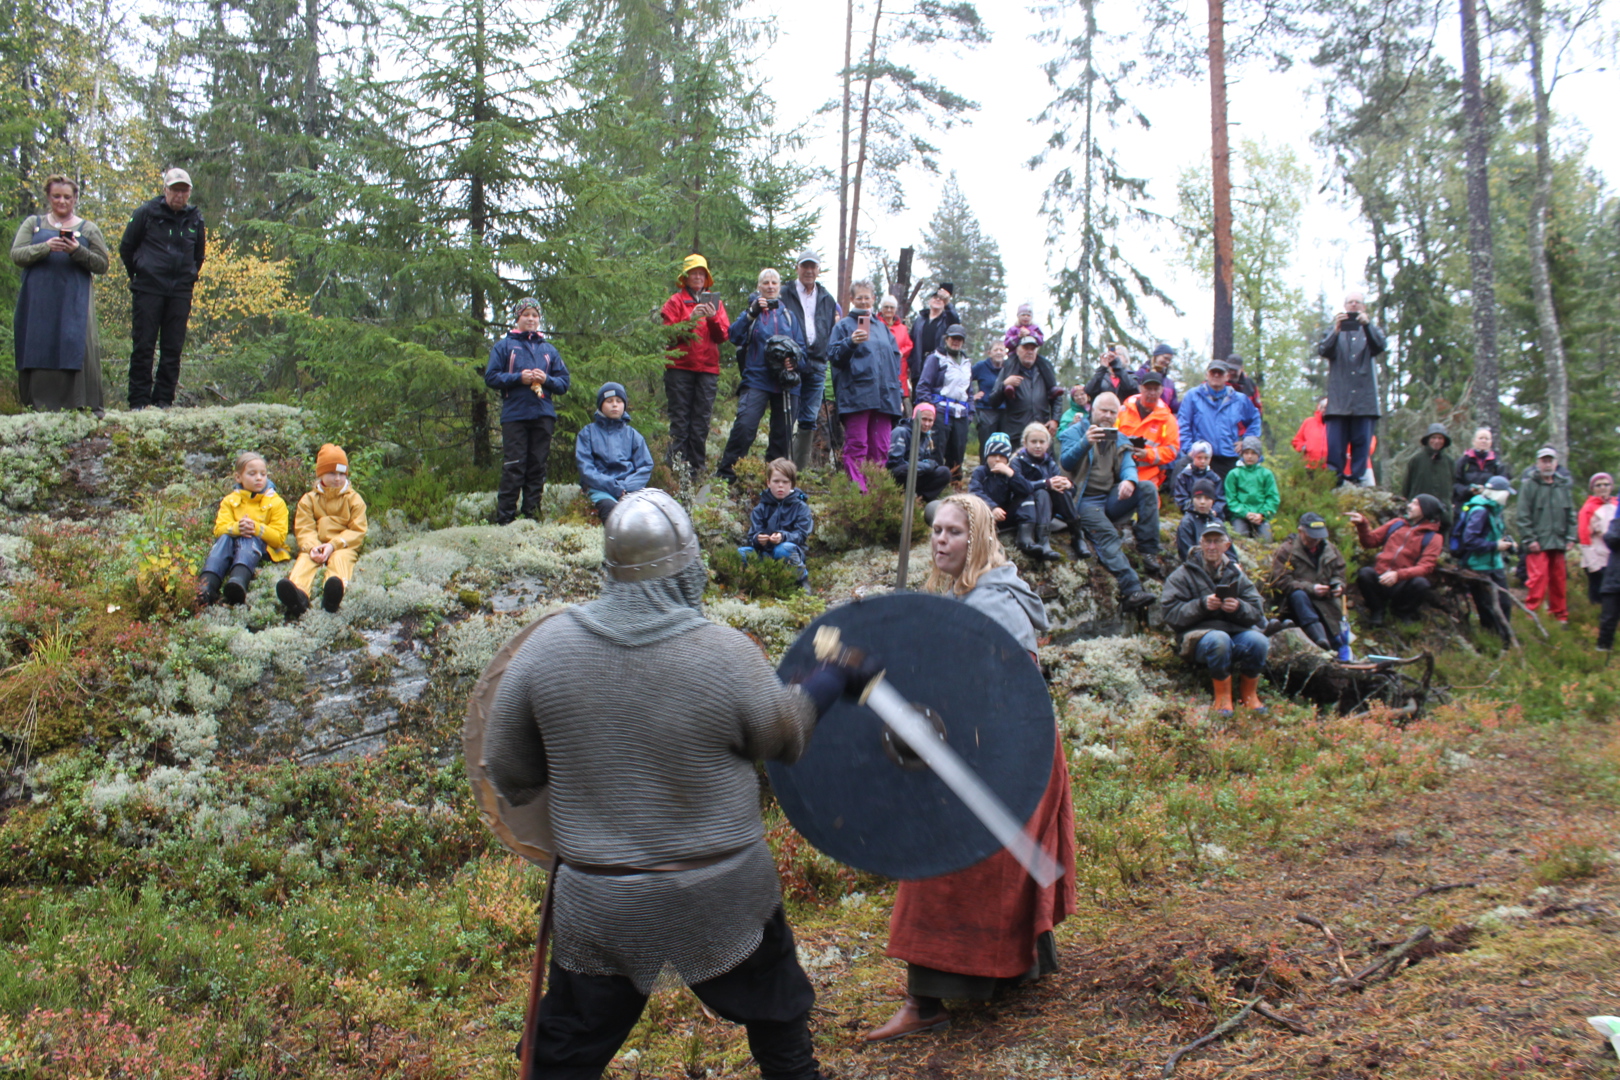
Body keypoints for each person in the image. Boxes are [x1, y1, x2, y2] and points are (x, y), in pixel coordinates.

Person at [483, 490, 865, 1080]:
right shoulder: (724, 654)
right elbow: (783, 735)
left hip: (604, 900)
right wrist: (831, 679)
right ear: (688, 567)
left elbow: (510, 774)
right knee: (780, 1028)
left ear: (609, 568)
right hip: (722, 893)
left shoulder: (543, 655)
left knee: (560, 1059)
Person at [865, 493, 1077, 1041]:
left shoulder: (996, 603)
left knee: (943, 863)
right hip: (993, 749)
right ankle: (1009, 973)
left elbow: (1001, 692)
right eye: (935, 530)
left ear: (978, 539)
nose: (940, 539)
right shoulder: (970, 594)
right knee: (986, 867)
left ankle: (925, 1001)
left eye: (954, 532)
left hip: (1011, 754)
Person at [11, 175, 110, 412]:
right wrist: (44, 247)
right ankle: (38, 407)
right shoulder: (33, 224)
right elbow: (17, 255)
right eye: (56, 196)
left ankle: (79, 406)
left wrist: (77, 251)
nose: (62, 201)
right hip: (38, 302)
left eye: (67, 197)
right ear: (48, 197)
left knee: (73, 345)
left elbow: (102, 264)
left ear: (75, 198)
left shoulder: (88, 228)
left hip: (75, 301)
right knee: (38, 345)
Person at [1058, 391, 1162, 601]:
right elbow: (1065, 462)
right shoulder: (1074, 432)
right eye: (1103, 410)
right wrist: (1085, 442)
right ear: (1092, 410)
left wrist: (1129, 481)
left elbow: (1128, 465)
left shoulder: (1118, 437)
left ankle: (1148, 550)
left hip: (1109, 498)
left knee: (1147, 488)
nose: (1107, 415)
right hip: (1082, 499)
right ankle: (1131, 589)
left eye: (1112, 412)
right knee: (1107, 535)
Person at [1159, 520, 1269, 713]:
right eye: (1207, 541)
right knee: (1219, 639)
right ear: (1200, 544)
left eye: (1217, 541)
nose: (1212, 546)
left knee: (1258, 641)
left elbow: (1257, 611)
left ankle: (1249, 695)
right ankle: (1223, 698)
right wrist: (1202, 605)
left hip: (1235, 633)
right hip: (1197, 638)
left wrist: (1238, 607)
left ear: (1226, 546)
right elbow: (1170, 614)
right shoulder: (1182, 575)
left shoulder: (1236, 574)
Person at [119, 168, 206, 409]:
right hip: (148, 289)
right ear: (165, 190)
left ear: (189, 192)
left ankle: (163, 400)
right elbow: (126, 248)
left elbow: (199, 255)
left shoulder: (195, 219)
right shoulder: (146, 213)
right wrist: (140, 273)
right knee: (143, 345)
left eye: (184, 190)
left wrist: (187, 280)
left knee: (173, 347)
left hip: (180, 291)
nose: (179, 195)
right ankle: (138, 401)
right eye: (175, 189)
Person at [486, 298, 571, 525]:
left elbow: (564, 383)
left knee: (537, 468)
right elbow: (491, 377)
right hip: (515, 415)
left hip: (543, 415)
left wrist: (547, 379)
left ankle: (531, 518)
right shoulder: (504, 346)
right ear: (518, 318)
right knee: (514, 467)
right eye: (526, 315)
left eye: (535, 315)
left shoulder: (548, 349)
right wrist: (518, 378)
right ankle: (505, 521)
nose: (531, 319)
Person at [716, 268, 805, 484]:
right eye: (766, 282)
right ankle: (726, 476)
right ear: (759, 287)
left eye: (774, 282)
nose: (770, 286)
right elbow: (734, 336)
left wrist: (792, 362)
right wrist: (751, 313)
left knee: (782, 436)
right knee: (745, 427)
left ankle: (775, 480)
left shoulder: (789, 316)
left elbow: (803, 352)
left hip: (785, 383)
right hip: (756, 378)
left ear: (780, 287)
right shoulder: (752, 314)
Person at [827, 280, 903, 492]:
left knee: (880, 448)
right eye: (859, 297)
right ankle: (859, 494)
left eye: (867, 297)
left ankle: (875, 495)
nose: (863, 301)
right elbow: (833, 356)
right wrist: (850, 342)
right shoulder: (842, 326)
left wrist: (898, 394)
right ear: (851, 299)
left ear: (873, 299)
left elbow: (895, 363)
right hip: (856, 397)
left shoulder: (883, 329)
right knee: (857, 445)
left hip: (885, 398)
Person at [277, 444, 367, 619]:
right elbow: (305, 528)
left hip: (343, 546)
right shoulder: (308, 500)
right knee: (305, 561)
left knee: (341, 560)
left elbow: (357, 530)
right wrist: (313, 548)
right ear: (321, 474)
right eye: (332, 473)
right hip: (316, 546)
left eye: (342, 474)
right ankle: (298, 596)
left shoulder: (354, 500)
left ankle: (331, 598)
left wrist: (333, 545)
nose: (337, 478)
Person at [660, 254, 731, 478]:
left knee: (701, 422)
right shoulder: (675, 302)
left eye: (702, 273)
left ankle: (697, 471)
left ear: (706, 277)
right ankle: (676, 471)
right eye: (694, 273)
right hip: (680, 369)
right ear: (686, 277)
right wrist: (690, 319)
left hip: (707, 370)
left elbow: (723, 336)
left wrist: (711, 317)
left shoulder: (715, 303)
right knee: (680, 421)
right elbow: (669, 336)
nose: (698, 277)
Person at [199, 451, 289, 606]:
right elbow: (219, 529)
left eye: (263, 474)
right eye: (252, 474)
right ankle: (207, 586)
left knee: (248, 537)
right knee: (225, 538)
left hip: (261, 549)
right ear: (238, 477)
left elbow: (279, 538)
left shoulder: (276, 502)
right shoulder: (230, 501)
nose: (259, 478)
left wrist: (257, 528)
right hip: (231, 546)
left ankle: (238, 581)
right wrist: (236, 528)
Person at [1315, 290, 1385, 486]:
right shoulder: (1333, 330)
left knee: (1361, 447)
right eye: (1350, 302)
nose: (1354, 305)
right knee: (1335, 447)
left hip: (1365, 403)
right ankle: (1334, 484)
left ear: (1364, 307)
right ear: (1345, 306)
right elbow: (1323, 350)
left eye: (1358, 302)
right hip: (1339, 403)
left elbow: (1379, 346)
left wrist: (1367, 325)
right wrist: (1337, 330)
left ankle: (1356, 484)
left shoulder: (1372, 330)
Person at [780, 251, 840, 470]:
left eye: (812, 267)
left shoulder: (827, 298)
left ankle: (796, 471)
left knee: (808, 419)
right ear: (797, 268)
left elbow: (831, 330)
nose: (809, 271)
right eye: (805, 266)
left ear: (818, 270)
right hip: (792, 362)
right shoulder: (784, 293)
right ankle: (779, 468)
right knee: (788, 415)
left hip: (817, 364)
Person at [1347, 496, 1445, 626]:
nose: (1409, 505)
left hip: (1403, 584)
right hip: (1381, 577)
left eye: (1415, 504)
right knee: (1365, 573)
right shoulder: (1396, 523)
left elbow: (1426, 567)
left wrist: (1398, 575)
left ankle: (1402, 613)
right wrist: (1362, 525)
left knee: (1421, 584)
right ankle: (1377, 610)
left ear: (1426, 510)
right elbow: (1370, 542)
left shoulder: (1434, 537)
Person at [1266, 513, 1347, 655]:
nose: (1315, 540)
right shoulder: (1287, 551)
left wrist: (1338, 585)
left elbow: (1339, 572)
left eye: (1318, 537)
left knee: (1337, 645)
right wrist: (1311, 588)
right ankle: (1319, 638)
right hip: (1295, 606)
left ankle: (1332, 646)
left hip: (1326, 604)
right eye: (1311, 537)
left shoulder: (1331, 549)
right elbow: (1281, 581)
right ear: (1300, 531)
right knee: (1298, 595)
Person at [576, 382, 654, 524]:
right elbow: (586, 469)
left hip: (631, 492)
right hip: (601, 491)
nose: (614, 405)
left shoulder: (633, 435)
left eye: (619, 401)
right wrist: (612, 486)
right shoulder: (587, 433)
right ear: (601, 405)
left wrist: (626, 487)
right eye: (609, 401)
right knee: (613, 513)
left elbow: (646, 466)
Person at [1517, 447, 1577, 625]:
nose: (1547, 464)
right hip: (1538, 543)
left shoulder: (1563, 485)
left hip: (1559, 541)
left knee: (1559, 580)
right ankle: (1532, 615)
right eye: (1544, 461)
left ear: (1556, 463)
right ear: (1538, 463)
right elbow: (1523, 515)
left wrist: (1571, 537)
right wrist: (1529, 539)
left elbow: (1571, 514)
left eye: (1550, 460)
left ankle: (1560, 616)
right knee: (1537, 580)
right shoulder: (1529, 485)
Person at [1455, 475, 1517, 643]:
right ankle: (1493, 643)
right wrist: (1495, 546)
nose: (1508, 496)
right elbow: (1470, 541)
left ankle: (1504, 642)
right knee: (1488, 607)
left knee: (1503, 605)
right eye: (1506, 493)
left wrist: (1505, 544)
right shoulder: (1480, 511)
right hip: (1479, 566)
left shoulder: (1494, 510)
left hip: (1494, 564)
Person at [1010, 422, 1081, 562]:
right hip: (1023, 508)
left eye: (1042, 442)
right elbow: (1019, 487)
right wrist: (1045, 483)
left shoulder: (1050, 463)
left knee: (1060, 491)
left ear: (1048, 444)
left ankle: (1077, 535)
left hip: (1046, 510)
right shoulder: (1017, 461)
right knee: (1042, 491)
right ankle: (1043, 540)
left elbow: (1067, 494)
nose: (1038, 445)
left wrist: (1069, 485)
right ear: (1025, 443)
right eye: (1033, 442)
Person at [1177, 359, 1261, 476]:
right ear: (1207, 375)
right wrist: (1189, 449)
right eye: (1213, 372)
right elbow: (1183, 424)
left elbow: (1255, 419)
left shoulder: (1239, 399)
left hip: (1228, 455)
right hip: (1200, 456)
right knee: (1185, 479)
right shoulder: (1193, 396)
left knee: (1232, 491)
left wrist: (1247, 442)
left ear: (1227, 376)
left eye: (1220, 373)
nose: (1216, 375)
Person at [739, 458, 814, 588]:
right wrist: (758, 539)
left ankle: (801, 582)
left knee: (783, 549)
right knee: (740, 553)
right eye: (776, 481)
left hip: (789, 552)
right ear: (768, 483)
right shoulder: (759, 509)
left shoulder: (801, 508)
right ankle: (755, 585)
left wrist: (783, 537)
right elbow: (751, 537)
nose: (780, 485)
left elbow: (801, 536)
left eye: (785, 482)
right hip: (764, 553)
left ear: (792, 484)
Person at [914, 324, 976, 471]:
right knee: (936, 453)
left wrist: (970, 413)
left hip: (961, 414)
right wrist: (931, 410)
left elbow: (970, 391)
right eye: (953, 338)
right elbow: (923, 386)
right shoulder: (935, 358)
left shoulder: (967, 363)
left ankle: (955, 487)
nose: (956, 342)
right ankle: (934, 487)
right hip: (941, 412)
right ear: (946, 339)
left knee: (958, 455)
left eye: (959, 339)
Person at [1116, 371, 1179, 495]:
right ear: (1140, 388)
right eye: (1148, 388)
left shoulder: (1167, 419)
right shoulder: (1122, 411)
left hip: (1149, 476)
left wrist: (1147, 454)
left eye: (1156, 389)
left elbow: (1172, 451)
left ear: (1162, 390)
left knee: (1149, 506)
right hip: (1119, 472)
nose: (1152, 393)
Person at [887, 402, 953, 502]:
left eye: (930, 420)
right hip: (900, 473)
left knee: (944, 472)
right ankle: (900, 495)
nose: (927, 424)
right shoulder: (901, 432)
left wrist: (924, 466)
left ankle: (920, 499)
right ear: (915, 418)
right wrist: (923, 466)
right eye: (924, 419)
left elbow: (930, 460)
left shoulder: (926, 437)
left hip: (918, 472)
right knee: (907, 469)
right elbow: (894, 463)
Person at [993, 336, 1059, 435]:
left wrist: (1055, 420)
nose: (1029, 352)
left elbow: (1057, 398)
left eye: (1032, 349)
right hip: (1016, 433)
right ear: (1017, 351)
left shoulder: (1045, 371)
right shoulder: (1008, 370)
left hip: (1042, 431)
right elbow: (993, 401)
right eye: (1026, 348)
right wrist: (1004, 385)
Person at [969, 432, 1033, 526]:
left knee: (1026, 495)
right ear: (987, 457)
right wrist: (993, 507)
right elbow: (974, 491)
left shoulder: (1010, 473)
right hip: (985, 514)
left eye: (1002, 456)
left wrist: (1012, 474)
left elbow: (1028, 489)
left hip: (1005, 515)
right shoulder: (980, 472)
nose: (998, 459)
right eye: (994, 455)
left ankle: (1026, 530)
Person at [1225, 436, 1279, 540]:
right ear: (1242, 454)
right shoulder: (1234, 474)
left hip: (1261, 516)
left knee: (1265, 541)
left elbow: (1272, 498)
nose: (1249, 456)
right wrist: (1245, 513)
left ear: (1259, 455)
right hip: (1239, 516)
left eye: (1253, 453)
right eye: (1246, 453)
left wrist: (1262, 514)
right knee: (1239, 538)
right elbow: (1230, 499)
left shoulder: (1266, 474)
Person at [1577, 473, 1617, 607]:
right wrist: (1593, 563)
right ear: (1593, 488)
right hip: (1598, 558)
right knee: (1599, 594)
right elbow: (1584, 536)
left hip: (1614, 557)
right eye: (1598, 485)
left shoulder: (1616, 504)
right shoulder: (1588, 508)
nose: (1603, 488)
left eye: (1606, 484)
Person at [1453, 427, 1511, 517]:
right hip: (1464, 507)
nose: (1483, 441)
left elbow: (1503, 487)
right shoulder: (1463, 462)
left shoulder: (1497, 464)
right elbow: (1455, 484)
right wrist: (1469, 490)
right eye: (1481, 438)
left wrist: (1486, 491)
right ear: (1473, 441)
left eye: (1487, 439)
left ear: (1491, 442)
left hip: (1489, 508)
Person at [1399, 424, 1456, 510]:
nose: (1437, 441)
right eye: (1433, 438)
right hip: (1420, 509)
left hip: (1443, 509)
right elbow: (1407, 485)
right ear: (1428, 440)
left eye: (1440, 438)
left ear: (1444, 441)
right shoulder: (1416, 460)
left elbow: (1453, 485)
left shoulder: (1449, 462)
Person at [909, 283, 961, 375]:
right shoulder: (919, 320)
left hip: (939, 367)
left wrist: (948, 303)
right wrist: (910, 364)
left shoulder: (947, 320)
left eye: (941, 299)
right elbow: (911, 341)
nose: (938, 299)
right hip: (919, 367)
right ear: (929, 301)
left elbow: (956, 324)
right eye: (935, 297)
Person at [1172, 442, 1226, 518]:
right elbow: (1180, 499)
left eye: (1206, 458)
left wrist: (1214, 510)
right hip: (1189, 514)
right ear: (1193, 457)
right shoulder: (1184, 476)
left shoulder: (1215, 478)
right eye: (1199, 458)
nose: (1203, 461)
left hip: (1211, 515)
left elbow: (1220, 499)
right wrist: (1195, 509)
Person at [971, 341, 1008, 452]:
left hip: (1005, 411)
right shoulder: (981, 366)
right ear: (989, 353)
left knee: (1004, 445)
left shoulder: (1008, 367)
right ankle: (984, 468)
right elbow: (964, 379)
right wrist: (971, 396)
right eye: (995, 350)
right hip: (986, 410)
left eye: (1001, 350)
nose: (998, 352)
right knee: (987, 445)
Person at [1176, 478, 1224, 562]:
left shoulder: (1217, 523)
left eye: (1207, 498)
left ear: (1213, 501)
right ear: (1192, 499)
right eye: (1198, 498)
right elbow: (1187, 554)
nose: (1202, 502)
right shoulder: (1187, 523)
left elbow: (1230, 552)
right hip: (1196, 568)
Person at [878, 294, 914, 402]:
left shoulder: (903, 328)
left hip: (899, 369)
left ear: (896, 310)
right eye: (886, 307)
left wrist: (901, 352)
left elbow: (909, 345)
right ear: (881, 308)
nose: (889, 310)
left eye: (892, 307)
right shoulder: (875, 325)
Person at [1597, 509, 1620, 652]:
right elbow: (1610, 539)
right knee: (1608, 619)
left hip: (1613, 580)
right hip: (1614, 580)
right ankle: (1602, 649)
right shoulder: (1616, 523)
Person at [1136, 344, 1179, 414]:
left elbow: (1173, 406)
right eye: (1165, 358)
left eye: (1169, 360)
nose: (1167, 362)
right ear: (1156, 356)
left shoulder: (1169, 383)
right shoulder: (1142, 373)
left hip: (1161, 417)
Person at [1292, 397, 1330, 469]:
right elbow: (1296, 441)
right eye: (1325, 407)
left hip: (1330, 469)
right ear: (1319, 408)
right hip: (1309, 466)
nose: (1326, 410)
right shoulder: (1309, 422)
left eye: (1329, 408)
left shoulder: (1337, 426)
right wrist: (1304, 447)